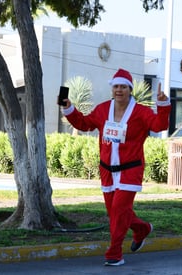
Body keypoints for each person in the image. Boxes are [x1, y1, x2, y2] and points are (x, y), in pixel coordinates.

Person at [59, 68, 171, 266]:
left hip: (131, 169)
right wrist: (69, 108)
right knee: (116, 214)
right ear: (112, 88)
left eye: (123, 87)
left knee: (119, 210)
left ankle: (114, 254)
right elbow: (84, 124)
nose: (119, 90)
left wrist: (162, 105)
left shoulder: (141, 112)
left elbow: (159, 126)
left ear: (130, 89)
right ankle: (141, 229)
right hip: (107, 170)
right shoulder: (103, 110)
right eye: (116, 86)